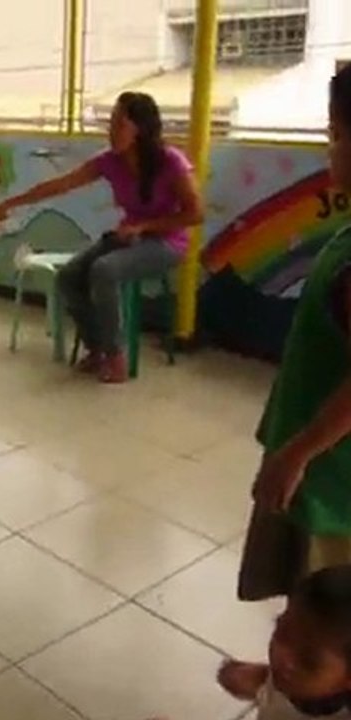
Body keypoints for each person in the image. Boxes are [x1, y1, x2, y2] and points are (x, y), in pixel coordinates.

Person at [0, 92, 204, 383]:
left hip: (166, 243)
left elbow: (195, 214)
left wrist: (144, 227)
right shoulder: (109, 161)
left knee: (104, 269)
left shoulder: (171, 161)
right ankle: (97, 347)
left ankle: (116, 358)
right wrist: (7, 205)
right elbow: (61, 184)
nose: (111, 131)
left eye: (119, 124)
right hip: (127, 237)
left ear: (140, 129)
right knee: (68, 276)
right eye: (110, 123)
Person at [238, 63, 351, 602]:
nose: (330, 149)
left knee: (321, 610)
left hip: (330, 480)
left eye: (335, 134)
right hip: (316, 463)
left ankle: (306, 652)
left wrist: (298, 452)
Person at [215, 565, 351, 720]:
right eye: (282, 633)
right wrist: (263, 683)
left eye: (308, 661)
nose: (281, 657)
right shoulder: (293, 675)